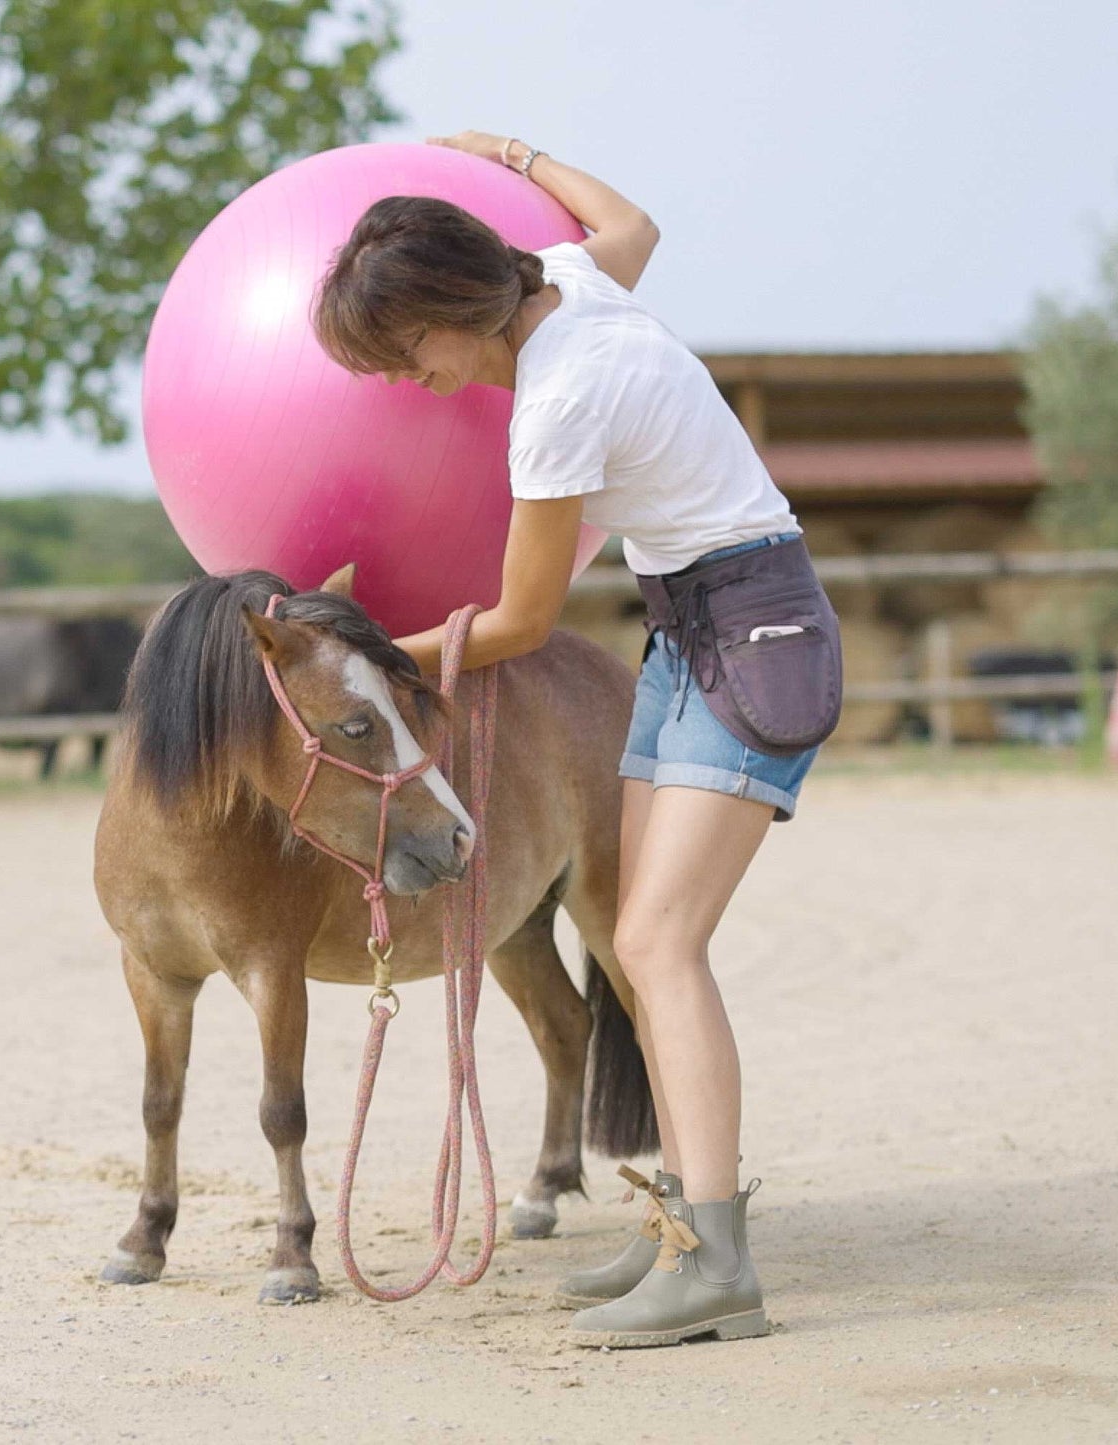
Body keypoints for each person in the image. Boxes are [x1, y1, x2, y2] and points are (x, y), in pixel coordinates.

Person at [313, 131, 842, 1349]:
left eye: (407, 351)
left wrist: (357, 659)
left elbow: (520, 621)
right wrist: (512, 150)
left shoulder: (554, 402)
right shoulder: (570, 285)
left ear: (457, 309)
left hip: (750, 634)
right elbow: (634, 224)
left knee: (656, 942)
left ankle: (719, 1263)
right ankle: (681, 1229)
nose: (411, 379)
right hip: (689, 630)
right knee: (634, 942)